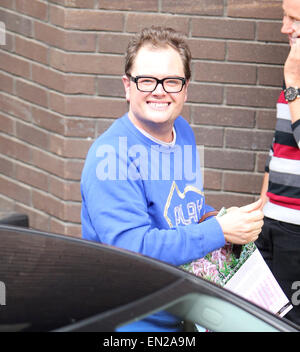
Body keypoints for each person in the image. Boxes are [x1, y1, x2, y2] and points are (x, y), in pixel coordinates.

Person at [81, 26, 264, 332]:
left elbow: (184, 205)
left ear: (185, 88)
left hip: (183, 309)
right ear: (127, 86)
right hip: (131, 321)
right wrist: (217, 231)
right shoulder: (111, 157)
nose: (159, 90)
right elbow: (133, 249)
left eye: (172, 81)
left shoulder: (183, 132)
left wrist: (216, 218)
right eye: (146, 80)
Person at [256, 0, 300, 327]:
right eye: (284, 17)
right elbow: (279, 147)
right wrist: (261, 206)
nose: (285, 27)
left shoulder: (293, 75)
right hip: (271, 222)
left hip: (297, 233)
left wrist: (293, 81)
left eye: (295, 19)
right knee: (260, 316)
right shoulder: (293, 75)